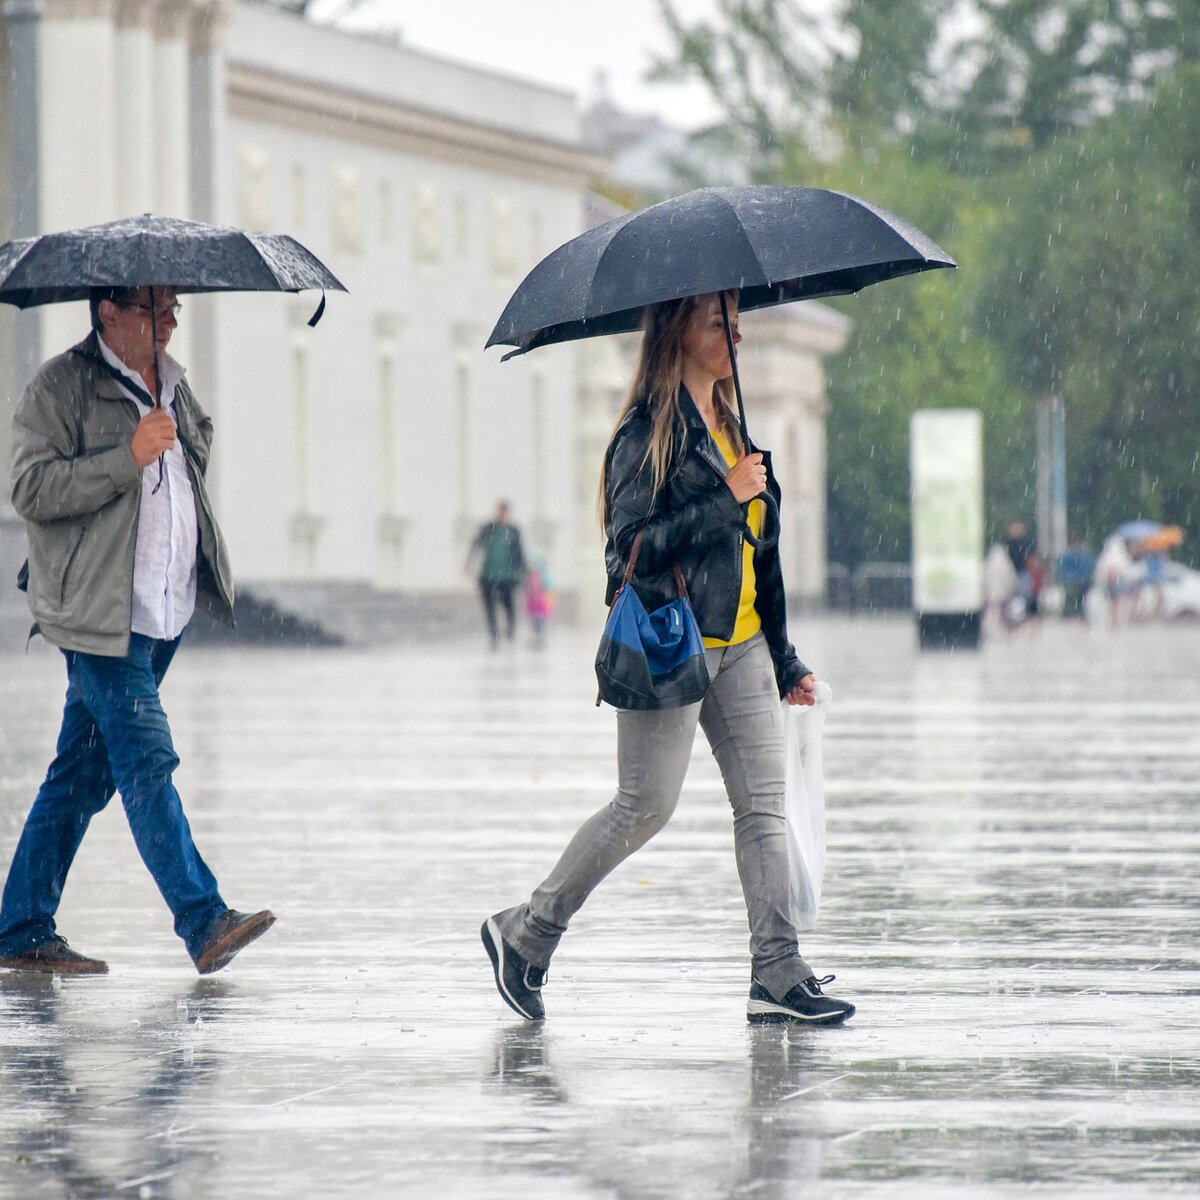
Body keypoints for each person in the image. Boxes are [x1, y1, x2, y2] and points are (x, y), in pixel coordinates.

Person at [481, 291, 854, 1026]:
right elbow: (632, 550)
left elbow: (762, 555)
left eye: (738, 322)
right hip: (673, 643)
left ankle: (777, 971)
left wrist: (785, 660)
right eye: (720, 323)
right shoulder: (644, 435)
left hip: (743, 643)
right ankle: (526, 932)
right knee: (645, 805)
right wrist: (725, 494)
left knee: (763, 810)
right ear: (678, 328)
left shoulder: (733, 427)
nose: (736, 337)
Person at [0, 285, 274, 977]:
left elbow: (195, 456)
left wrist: (179, 440)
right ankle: (203, 919)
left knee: (81, 775)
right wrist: (128, 455)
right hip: (96, 614)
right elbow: (32, 489)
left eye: (174, 307)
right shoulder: (59, 388)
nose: (172, 320)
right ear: (109, 314)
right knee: (147, 760)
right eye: (156, 310)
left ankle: (20, 926)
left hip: (162, 611)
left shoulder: (172, 384)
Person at [467, 501, 527, 648]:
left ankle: (510, 630)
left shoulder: (513, 531)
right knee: (489, 606)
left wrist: (522, 572)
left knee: (508, 604)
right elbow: (476, 545)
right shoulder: (488, 529)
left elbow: (519, 552)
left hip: (507, 577)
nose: (502, 515)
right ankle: (494, 633)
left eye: (505, 512)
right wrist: (470, 563)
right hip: (488, 576)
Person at [523, 558, 554, 649]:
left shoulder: (542, 577)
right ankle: (538, 638)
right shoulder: (531, 577)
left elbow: (548, 590)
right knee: (536, 624)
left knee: (539, 624)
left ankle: (539, 639)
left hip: (540, 607)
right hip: (535, 607)